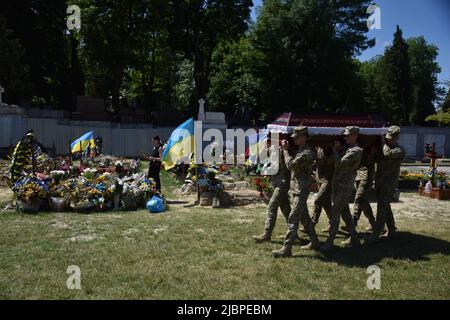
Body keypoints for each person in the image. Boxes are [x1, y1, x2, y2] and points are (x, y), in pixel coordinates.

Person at [272, 126, 320, 258]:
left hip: (301, 189)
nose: (294, 139)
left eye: (297, 137)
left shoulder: (307, 153)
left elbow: (291, 165)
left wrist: (286, 151)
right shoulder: (300, 151)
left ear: (304, 137)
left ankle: (286, 248)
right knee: (304, 217)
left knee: (293, 218)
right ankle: (315, 241)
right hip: (296, 188)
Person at [321, 126, 363, 252]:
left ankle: (330, 242)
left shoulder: (356, 150)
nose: (345, 137)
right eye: (344, 136)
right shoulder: (347, 149)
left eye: (347, 135)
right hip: (338, 185)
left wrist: (335, 150)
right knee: (345, 213)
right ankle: (355, 238)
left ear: (355, 136)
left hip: (344, 186)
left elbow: (339, 164)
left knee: (335, 213)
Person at [366, 126, 405, 243]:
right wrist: (372, 153)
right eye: (387, 138)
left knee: (381, 207)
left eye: (390, 138)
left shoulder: (399, 150)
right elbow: (373, 160)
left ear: (397, 138)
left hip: (389, 183)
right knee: (385, 206)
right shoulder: (384, 148)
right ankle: (392, 229)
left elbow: (387, 154)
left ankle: (376, 233)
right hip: (380, 181)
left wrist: (383, 142)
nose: (388, 140)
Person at [253, 143, 291, 243]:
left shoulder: (284, 150)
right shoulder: (270, 151)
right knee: (286, 208)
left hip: (283, 184)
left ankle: (267, 233)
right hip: (276, 183)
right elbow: (261, 163)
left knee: (272, 206)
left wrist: (283, 149)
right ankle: (292, 233)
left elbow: (288, 166)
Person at [351, 145, 377, 231]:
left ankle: (353, 221)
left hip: (366, 175)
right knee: (363, 201)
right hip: (358, 175)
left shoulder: (370, 145)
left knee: (359, 198)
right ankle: (373, 222)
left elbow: (371, 160)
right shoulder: (357, 145)